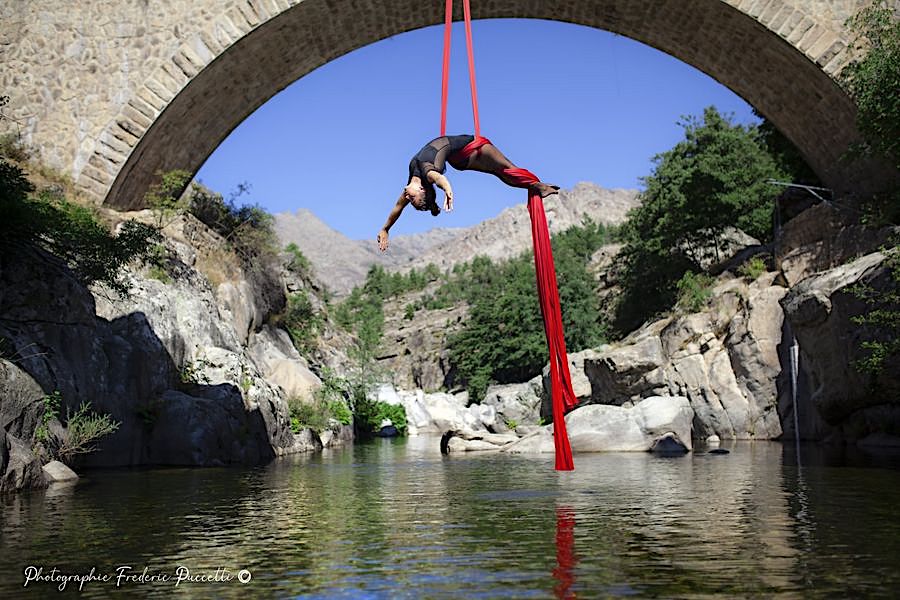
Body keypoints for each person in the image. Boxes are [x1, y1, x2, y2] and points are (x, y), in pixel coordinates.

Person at [377, 134, 559, 252]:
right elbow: (440, 179)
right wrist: (448, 191)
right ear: (422, 190)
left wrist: (385, 228)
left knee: (500, 171)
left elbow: (397, 208)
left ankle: (535, 186)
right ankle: (537, 186)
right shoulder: (428, 173)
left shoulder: (412, 182)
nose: (407, 196)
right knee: (506, 168)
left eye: (410, 198)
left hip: (461, 157)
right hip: (473, 148)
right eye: (412, 198)